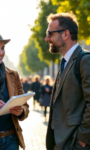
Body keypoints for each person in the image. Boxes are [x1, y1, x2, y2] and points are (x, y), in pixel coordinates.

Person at [45, 13, 90, 150]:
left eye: (50, 34)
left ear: (65, 34)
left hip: (75, 143)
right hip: (61, 142)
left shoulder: (84, 60)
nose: (47, 39)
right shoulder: (65, 62)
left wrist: (82, 138)